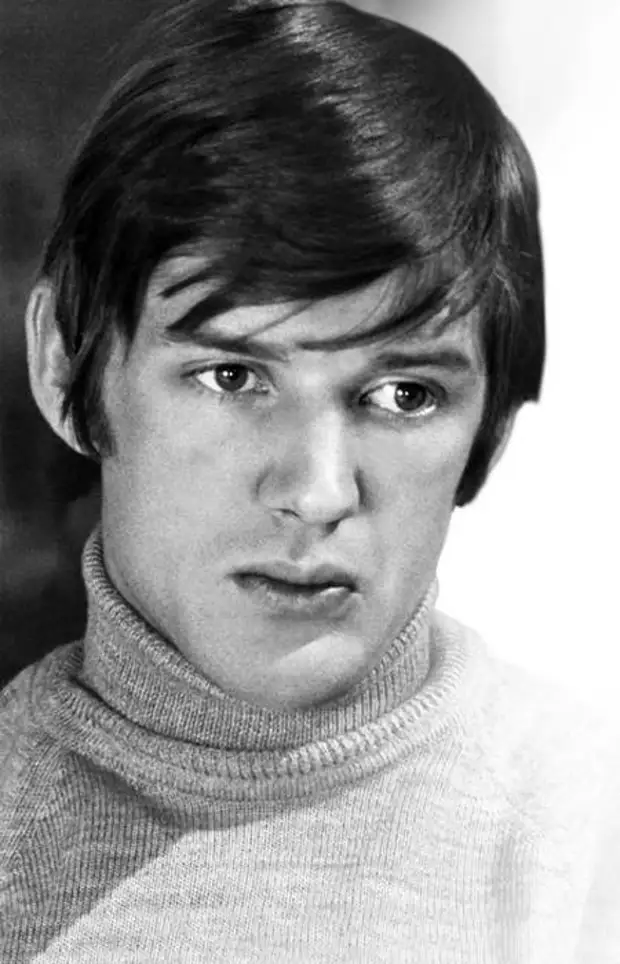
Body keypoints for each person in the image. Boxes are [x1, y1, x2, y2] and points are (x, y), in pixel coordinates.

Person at [1, 0, 618, 960]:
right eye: (232, 377)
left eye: (405, 394)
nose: (321, 492)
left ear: (490, 423)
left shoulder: (589, 838)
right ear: (61, 369)